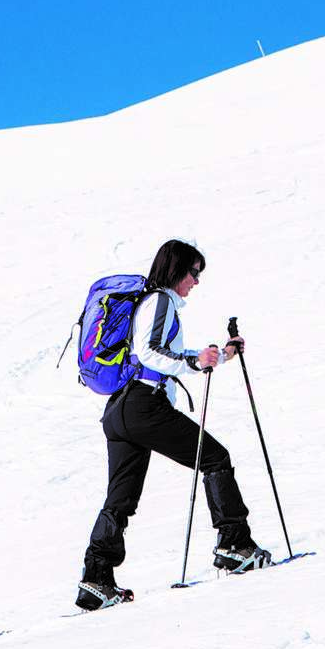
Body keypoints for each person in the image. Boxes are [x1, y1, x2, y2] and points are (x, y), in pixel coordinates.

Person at [77, 240, 272, 611]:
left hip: (119, 411)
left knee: (120, 499)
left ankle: (96, 579)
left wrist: (222, 355)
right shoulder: (161, 300)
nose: (196, 281)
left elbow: (158, 355)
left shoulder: (150, 302)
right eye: (193, 272)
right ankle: (235, 546)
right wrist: (194, 361)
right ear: (175, 270)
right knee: (215, 457)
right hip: (142, 405)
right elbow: (150, 352)